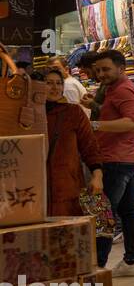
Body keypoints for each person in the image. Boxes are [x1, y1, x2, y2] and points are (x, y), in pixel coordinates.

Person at [89, 50, 134, 275]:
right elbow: (115, 115)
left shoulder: (123, 90)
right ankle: (131, 262)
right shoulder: (114, 89)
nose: (101, 74)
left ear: (121, 69)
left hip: (116, 161)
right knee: (127, 210)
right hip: (124, 158)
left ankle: (97, 266)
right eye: (98, 70)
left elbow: (132, 122)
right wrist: (95, 106)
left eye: (106, 69)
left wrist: (95, 126)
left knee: (102, 213)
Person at [41, 68, 103, 216]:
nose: (55, 87)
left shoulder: (74, 112)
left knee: (67, 234)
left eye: (58, 83)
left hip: (68, 187)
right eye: (49, 83)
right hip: (36, 190)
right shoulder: (29, 114)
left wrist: (97, 176)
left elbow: (89, 146)